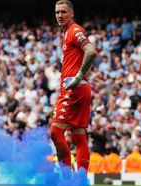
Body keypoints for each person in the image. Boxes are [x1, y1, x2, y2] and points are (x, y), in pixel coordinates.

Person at [50, 0, 97, 173]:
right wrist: (81, 76)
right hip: (80, 88)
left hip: (74, 89)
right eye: (57, 12)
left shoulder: (74, 30)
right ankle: (80, 183)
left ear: (72, 14)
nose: (60, 15)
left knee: (56, 132)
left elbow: (91, 52)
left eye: (63, 12)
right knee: (78, 136)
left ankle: (67, 180)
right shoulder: (68, 33)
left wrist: (77, 77)